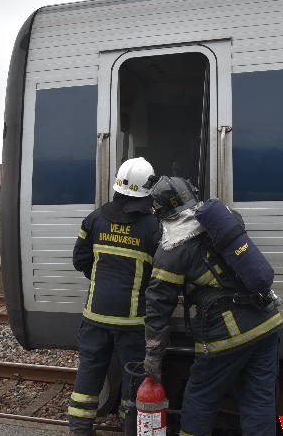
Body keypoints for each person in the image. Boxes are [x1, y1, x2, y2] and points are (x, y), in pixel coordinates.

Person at [143, 176, 283, 436]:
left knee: (201, 396)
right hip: (266, 321)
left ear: (160, 211)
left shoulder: (171, 249)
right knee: (259, 400)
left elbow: (158, 304)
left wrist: (153, 352)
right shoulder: (225, 218)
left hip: (227, 334)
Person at [68, 157, 161, 436]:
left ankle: (80, 427)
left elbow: (80, 260)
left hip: (95, 315)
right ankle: (130, 427)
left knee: (90, 370)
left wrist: (101, 279)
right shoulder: (152, 227)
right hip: (132, 322)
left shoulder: (95, 218)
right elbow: (161, 274)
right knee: (134, 377)